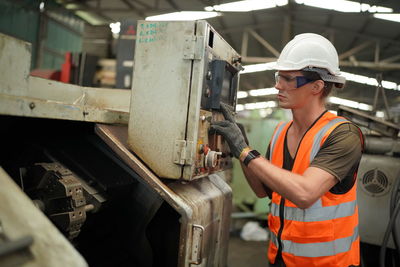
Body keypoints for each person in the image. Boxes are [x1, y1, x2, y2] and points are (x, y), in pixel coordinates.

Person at [211, 33, 364, 267]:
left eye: (289, 79)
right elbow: (264, 191)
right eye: (278, 76)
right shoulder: (281, 132)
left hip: (327, 263)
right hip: (281, 259)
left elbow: (305, 194)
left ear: (317, 86)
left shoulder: (343, 134)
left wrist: (244, 151)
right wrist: (239, 145)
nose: (277, 85)